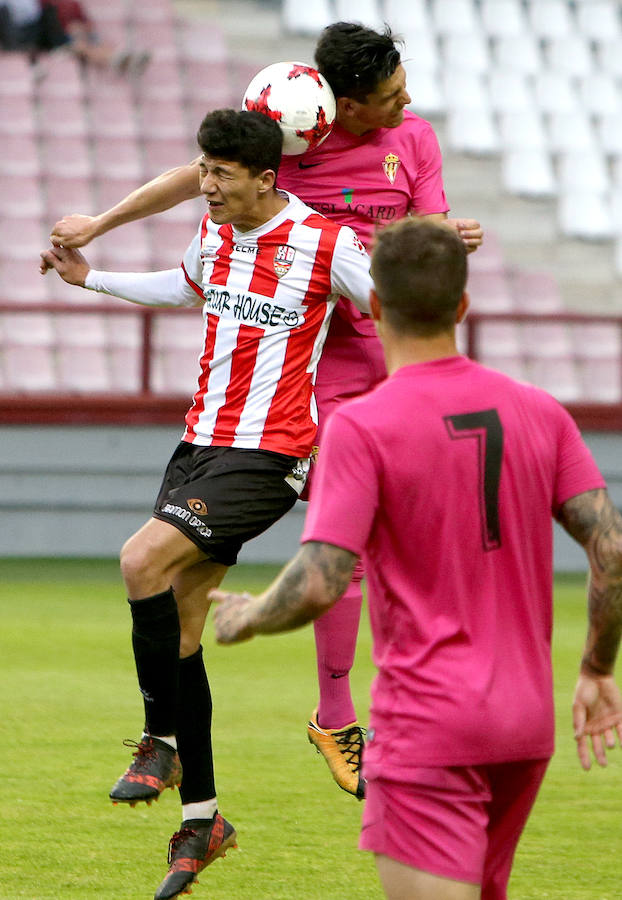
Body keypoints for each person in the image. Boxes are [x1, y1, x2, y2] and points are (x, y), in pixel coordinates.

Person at [49, 22, 484, 801]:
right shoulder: (257, 178)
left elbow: (413, 266)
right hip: (258, 411)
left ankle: (327, 719)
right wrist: (98, 252)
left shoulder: (385, 169)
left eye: (223, 174)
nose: (406, 101)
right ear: (338, 109)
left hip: (322, 399)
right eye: (388, 94)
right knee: (227, 589)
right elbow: (189, 225)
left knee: (356, 541)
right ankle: (221, 794)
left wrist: (441, 255)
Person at [210, 218, 622, 900]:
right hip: (525, 724)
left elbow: (320, 581)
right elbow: (610, 546)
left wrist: (249, 616)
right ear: (462, 307)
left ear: (372, 308)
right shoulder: (540, 412)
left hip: (429, 720)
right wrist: (597, 667)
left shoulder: (363, 424)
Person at [40, 108, 373, 900]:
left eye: (221, 174)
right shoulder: (215, 235)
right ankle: (204, 821)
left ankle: (159, 740)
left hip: (273, 453)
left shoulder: (328, 243)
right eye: (204, 169)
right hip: (198, 448)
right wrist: (96, 280)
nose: (207, 185)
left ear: (266, 177)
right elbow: (185, 288)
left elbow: (398, 310)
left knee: (139, 558)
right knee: (184, 631)